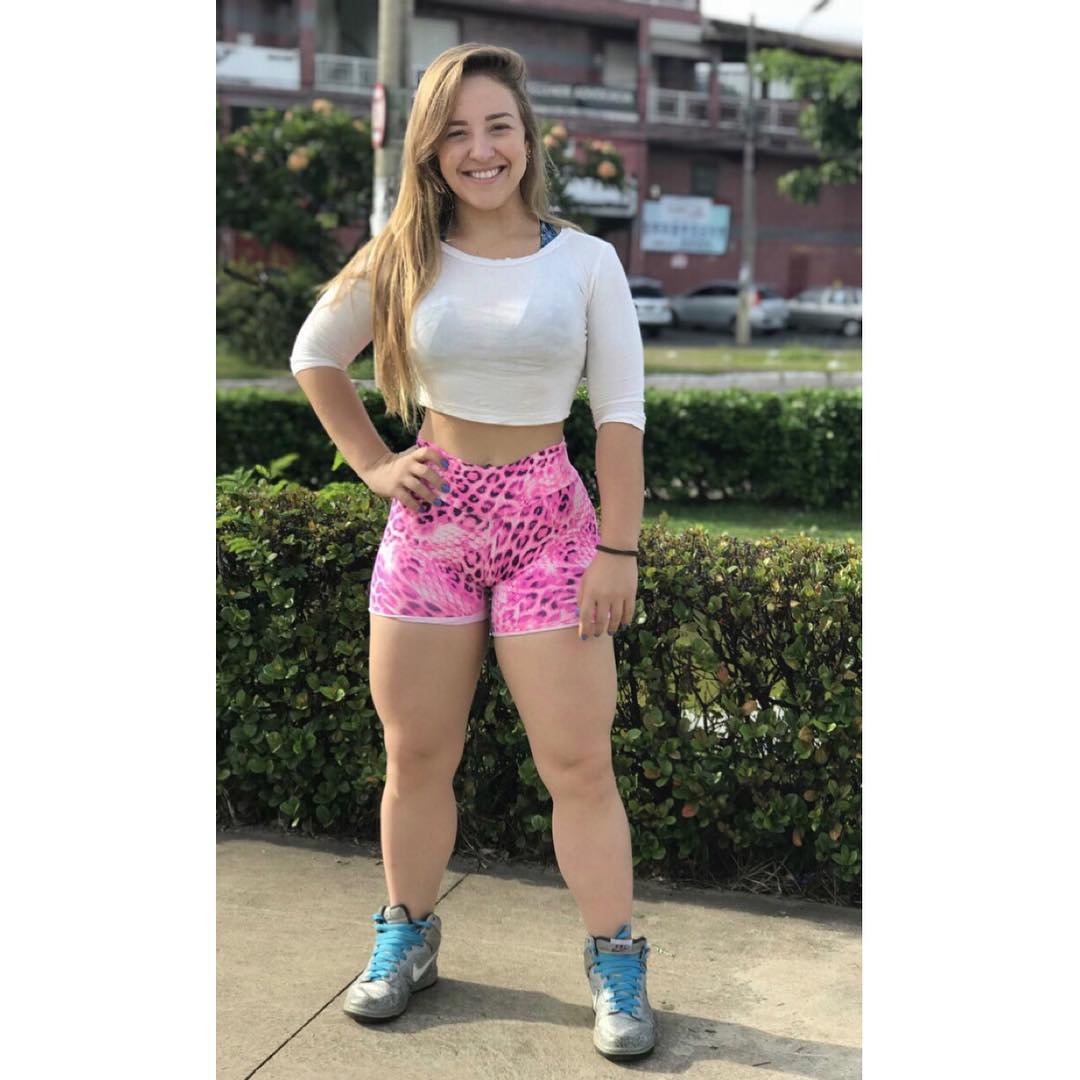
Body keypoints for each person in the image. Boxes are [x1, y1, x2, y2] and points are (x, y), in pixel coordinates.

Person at [288, 42, 654, 1060]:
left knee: (578, 762)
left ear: (526, 138)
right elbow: (316, 353)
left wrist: (618, 549)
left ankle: (616, 957)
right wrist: (373, 463)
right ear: (429, 150)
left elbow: (620, 414)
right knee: (415, 753)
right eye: (455, 131)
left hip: (552, 529)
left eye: (497, 126)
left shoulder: (585, 261)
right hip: (433, 524)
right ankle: (406, 935)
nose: (479, 149)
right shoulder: (405, 253)